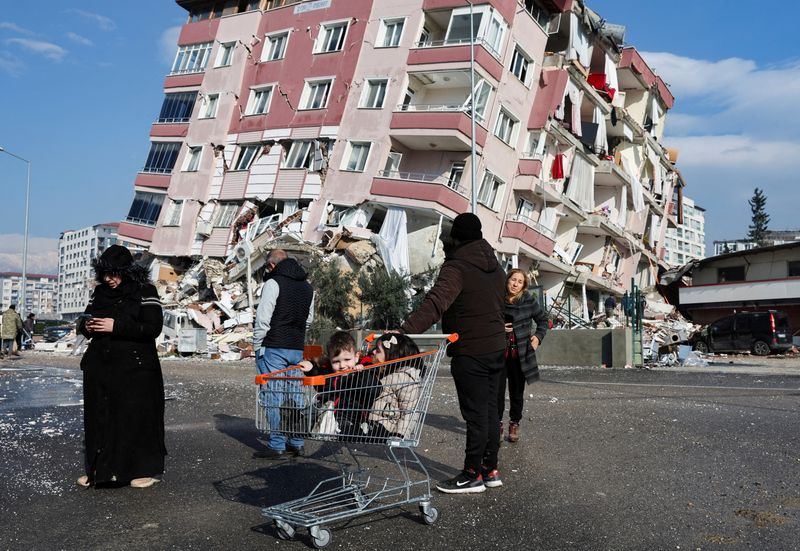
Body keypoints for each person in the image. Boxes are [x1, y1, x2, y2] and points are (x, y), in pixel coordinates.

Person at [399, 212, 506, 494]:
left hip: (471, 350)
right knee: (492, 412)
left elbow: (436, 303)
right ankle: (490, 469)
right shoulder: (497, 268)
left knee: (476, 415)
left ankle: (472, 474)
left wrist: (404, 332)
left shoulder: (457, 267)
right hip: (496, 348)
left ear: (455, 237)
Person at [76, 245, 166, 489]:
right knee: (100, 418)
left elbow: (152, 328)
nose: (108, 279)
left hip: (134, 368)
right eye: (105, 274)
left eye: (113, 273)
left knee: (134, 418)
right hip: (100, 366)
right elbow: (84, 321)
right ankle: (99, 471)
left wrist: (116, 326)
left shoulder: (145, 290)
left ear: (126, 271)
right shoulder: (100, 293)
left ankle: (143, 470)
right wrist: (88, 326)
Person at [253, 249, 314, 459]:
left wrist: (256, 345)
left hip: (273, 345)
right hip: (296, 347)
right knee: (295, 395)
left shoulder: (273, 283)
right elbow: (309, 319)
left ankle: (277, 444)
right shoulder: (308, 287)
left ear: (271, 265)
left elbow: (263, 318)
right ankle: (296, 441)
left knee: (273, 394)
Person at [300, 331, 381, 439]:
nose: (342, 365)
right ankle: (295, 418)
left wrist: (362, 375)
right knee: (310, 412)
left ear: (356, 357)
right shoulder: (328, 373)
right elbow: (321, 386)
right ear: (330, 360)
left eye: (347, 360)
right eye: (336, 361)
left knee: (340, 421)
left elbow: (375, 391)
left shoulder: (365, 371)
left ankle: (331, 427)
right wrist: (311, 369)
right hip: (328, 411)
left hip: (352, 416)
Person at [499, 269, 548, 444]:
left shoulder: (528, 300)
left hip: (520, 354)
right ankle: (497, 425)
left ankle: (514, 423)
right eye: (513, 280)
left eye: (519, 282)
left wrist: (538, 337)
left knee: (516, 392)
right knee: (496, 392)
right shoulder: (497, 299)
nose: (515, 284)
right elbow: (487, 320)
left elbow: (543, 320)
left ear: (523, 285)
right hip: (498, 353)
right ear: (507, 281)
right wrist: (500, 328)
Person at [367, 333, 422, 440]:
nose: (373, 352)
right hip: (375, 420)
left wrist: (400, 434)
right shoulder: (384, 372)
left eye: (377, 350)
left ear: (392, 355)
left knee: (345, 429)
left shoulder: (405, 379)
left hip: (386, 427)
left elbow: (409, 412)